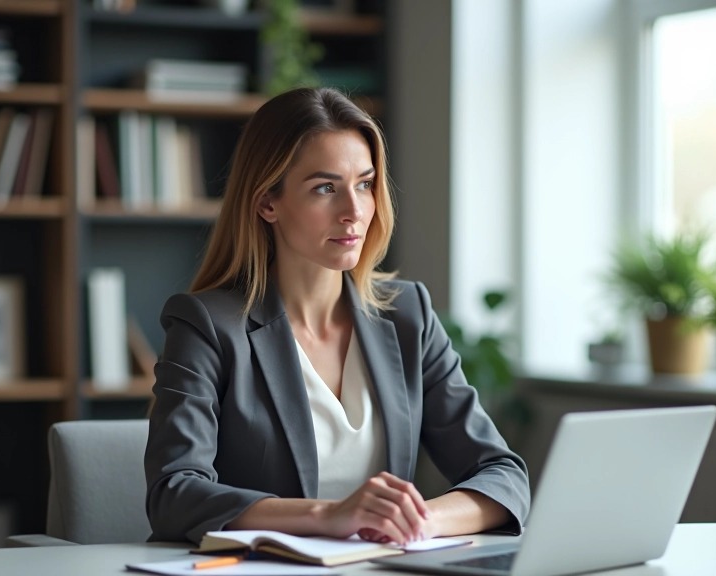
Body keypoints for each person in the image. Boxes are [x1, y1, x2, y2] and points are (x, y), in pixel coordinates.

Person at [145, 87, 530, 546]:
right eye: (325, 188)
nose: (354, 211)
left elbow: (502, 475)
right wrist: (329, 515)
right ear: (268, 202)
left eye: (364, 184)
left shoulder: (409, 314)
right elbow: (174, 493)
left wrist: (417, 521)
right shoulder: (207, 325)